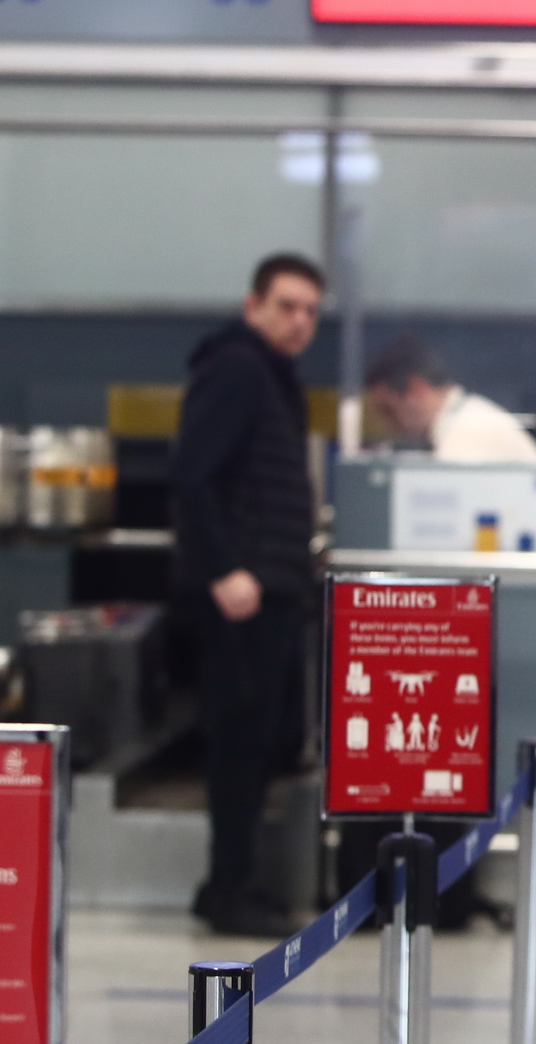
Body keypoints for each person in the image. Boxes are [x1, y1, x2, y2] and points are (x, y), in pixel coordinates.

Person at [172, 253, 322, 937]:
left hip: (271, 587)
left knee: (262, 742)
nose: (299, 321)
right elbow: (192, 476)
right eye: (286, 306)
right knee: (240, 744)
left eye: (310, 311)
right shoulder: (237, 369)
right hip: (243, 595)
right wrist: (225, 569)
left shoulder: (271, 375)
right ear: (252, 305)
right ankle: (230, 887)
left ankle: (230, 883)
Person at [364, 333, 536, 460]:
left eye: (389, 411)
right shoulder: (467, 421)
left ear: (416, 388)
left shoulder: (465, 437)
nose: (390, 425)